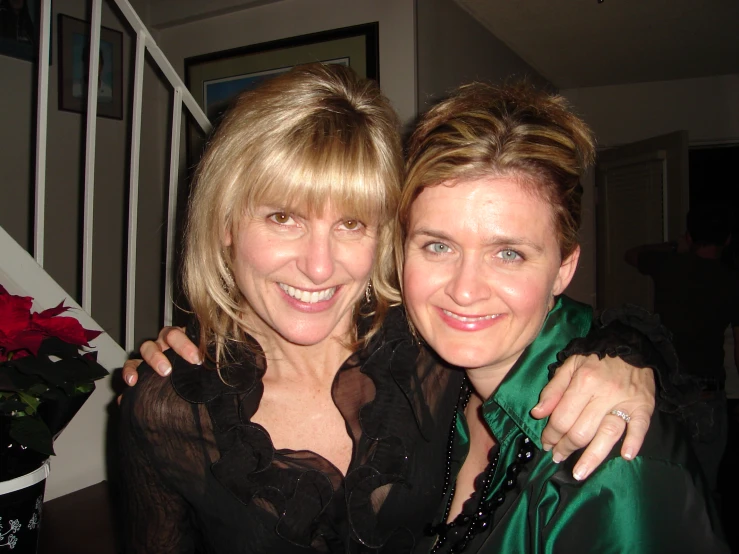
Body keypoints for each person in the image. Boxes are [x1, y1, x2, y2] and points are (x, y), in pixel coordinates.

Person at [119, 64, 661, 553]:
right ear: (226, 225)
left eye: (351, 223)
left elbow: (533, 330)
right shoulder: (165, 406)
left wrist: (623, 358)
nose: (319, 266)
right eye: (283, 217)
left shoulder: (423, 346)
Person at [402, 82, 726, 553]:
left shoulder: (610, 463)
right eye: (438, 245)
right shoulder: (424, 386)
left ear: (564, 268)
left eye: (508, 253)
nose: (464, 290)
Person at [625, 205, 739, 493]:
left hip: (667, 394)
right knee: (704, 492)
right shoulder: (731, 281)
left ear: (689, 236)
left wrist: (674, 246)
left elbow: (632, 254)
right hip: (707, 396)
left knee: (664, 490)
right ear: (727, 239)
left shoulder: (669, 266)